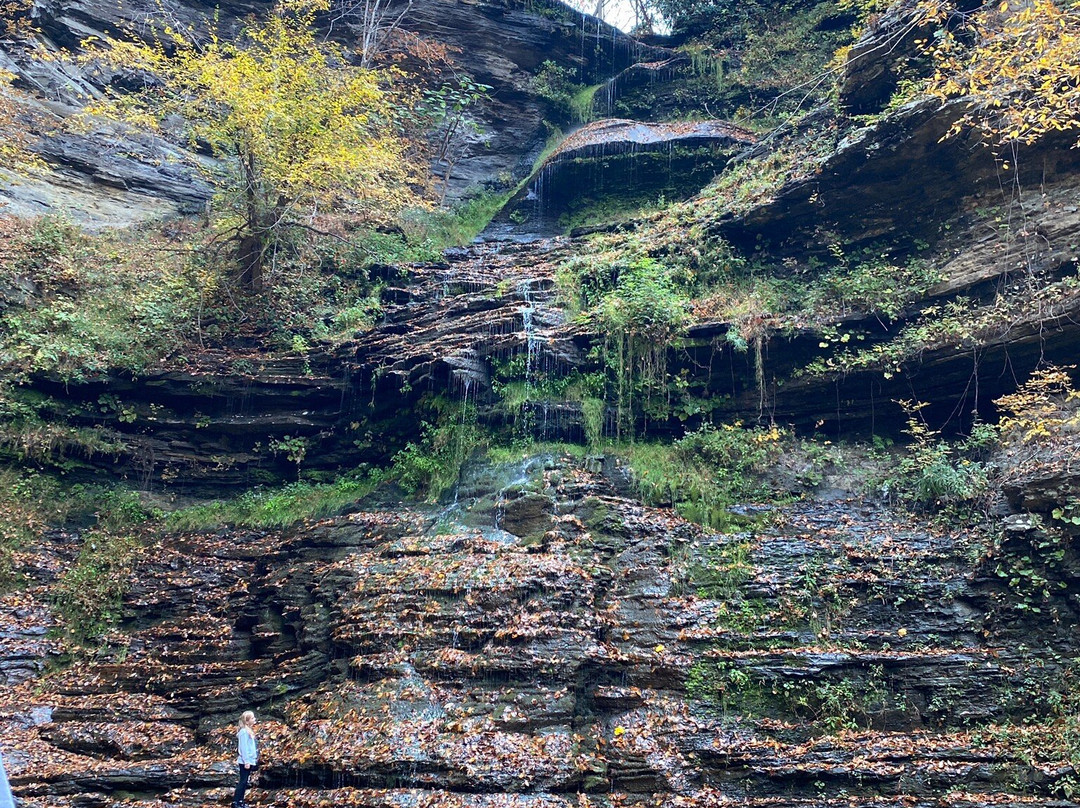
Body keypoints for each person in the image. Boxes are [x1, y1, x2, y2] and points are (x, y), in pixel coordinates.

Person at [232, 711, 258, 808]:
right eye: (252, 718)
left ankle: (241, 801)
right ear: (247, 721)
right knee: (242, 781)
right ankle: (236, 802)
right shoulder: (243, 732)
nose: (254, 719)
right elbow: (243, 748)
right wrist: (246, 761)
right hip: (244, 761)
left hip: (250, 760)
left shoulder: (249, 731)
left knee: (245, 781)